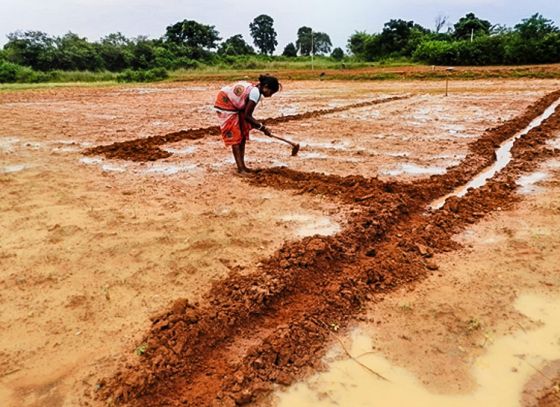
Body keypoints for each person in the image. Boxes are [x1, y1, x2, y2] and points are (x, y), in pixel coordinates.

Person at [214, 75, 281, 173]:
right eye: (271, 92)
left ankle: (242, 166)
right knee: (236, 136)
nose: (270, 95)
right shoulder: (255, 93)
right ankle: (241, 168)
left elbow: (247, 116)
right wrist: (262, 128)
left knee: (242, 134)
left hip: (235, 106)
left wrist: (260, 127)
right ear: (265, 86)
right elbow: (247, 116)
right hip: (226, 104)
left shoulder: (255, 90)